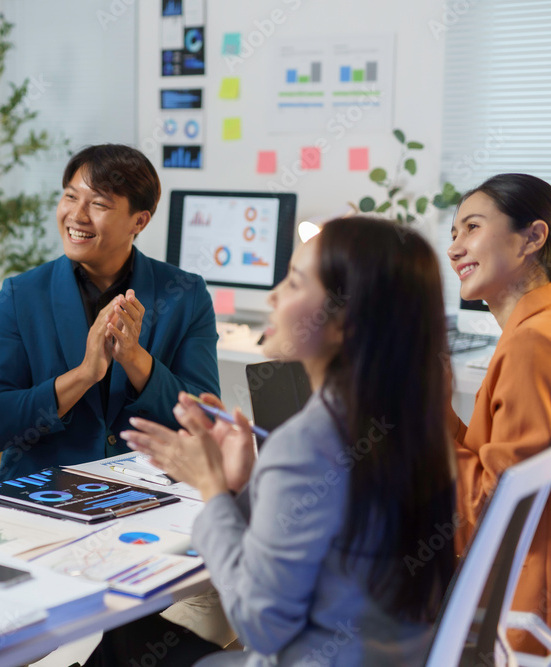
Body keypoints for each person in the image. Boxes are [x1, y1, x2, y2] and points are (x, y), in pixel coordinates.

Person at [123, 217, 456, 665]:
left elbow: (260, 625)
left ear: (345, 324)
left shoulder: (306, 443)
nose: (273, 296)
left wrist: (212, 489)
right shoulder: (410, 425)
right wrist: (243, 487)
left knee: (121, 640)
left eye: (295, 282)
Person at [0, 144, 220, 481]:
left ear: (139, 221)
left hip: (150, 492)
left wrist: (135, 359)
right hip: (45, 494)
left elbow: (204, 419)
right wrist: (85, 374)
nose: (77, 215)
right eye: (71, 197)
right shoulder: (21, 295)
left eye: (99, 204)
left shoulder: (185, 295)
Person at [447, 173, 551, 654]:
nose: (454, 249)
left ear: (533, 236)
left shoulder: (532, 343)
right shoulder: (534, 329)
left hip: (519, 613)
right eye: (453, 234)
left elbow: (494, 512)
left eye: (471, 227)